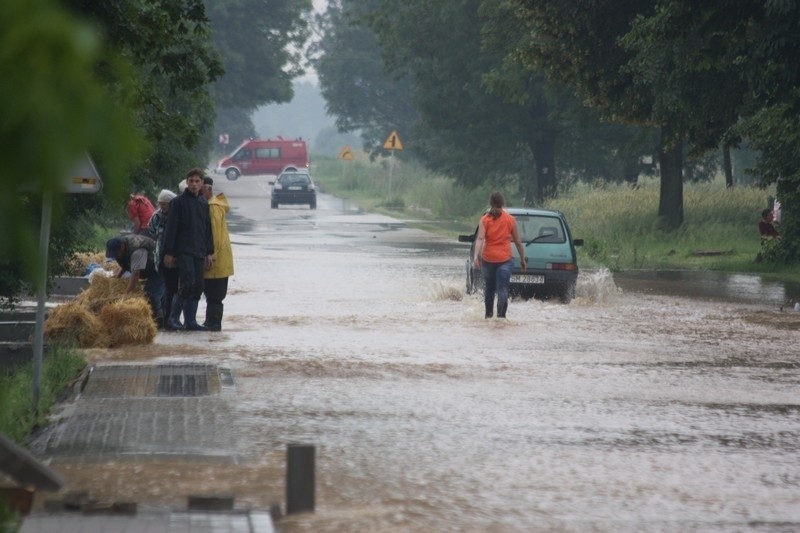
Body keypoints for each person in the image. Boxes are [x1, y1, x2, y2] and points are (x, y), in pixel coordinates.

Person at [162, 168, 214, 331]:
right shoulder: (178, 203)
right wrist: (169, 252)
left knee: (198, 285)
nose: (194, 184)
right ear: (187, 182)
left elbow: (207, 229)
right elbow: (171, 229)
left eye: (197, 181)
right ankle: (173, 318)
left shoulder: (203, 202)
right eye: (191, 181)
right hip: (184, 251)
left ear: (202, 184)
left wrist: (209, 252)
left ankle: (190, 321)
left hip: (199, 250)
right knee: (187, 284)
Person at [472, 192, 527, 319]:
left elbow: (480, 239)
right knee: (502, 289)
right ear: (503, 203)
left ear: (490, 203)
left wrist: (476, 257)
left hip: (488, 259)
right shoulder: (510, 220)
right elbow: (518, 242)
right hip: (505, 260)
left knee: (489, 289)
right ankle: (501, 318)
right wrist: (522, 259)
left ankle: (488, 316)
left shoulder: (485, 219)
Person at [106, 234, 164, 324]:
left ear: (122, 247)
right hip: (146, 267)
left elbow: (136, 274)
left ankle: (160, 319)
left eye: (116, 254)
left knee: (151, 294)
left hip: (158, 267)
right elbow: (127, 263)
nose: (115, 257)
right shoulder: (123, 248)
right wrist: (117, 278)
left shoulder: (137, 250)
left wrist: (125, 294)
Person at [202, 177, 234, 331]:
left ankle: (213, 325)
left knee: (215, 295)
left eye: (202, 189)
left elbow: (216, 235)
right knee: (212, 295)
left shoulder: (212, 207)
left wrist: (211, 255)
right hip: (220, 260)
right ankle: (210, 322)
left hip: (216, 260)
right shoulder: (213, 205)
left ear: (209, 189)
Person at [147, 189, 178, 326]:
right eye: (160, 204)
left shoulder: (177, 214)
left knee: (173, 288)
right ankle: (163, 316)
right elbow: (151, 230)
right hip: (160, 255)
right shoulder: (157, 216)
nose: (162, 207)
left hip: (176, 256)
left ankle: (171, 316)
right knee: (162, 287)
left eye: (165, 204)